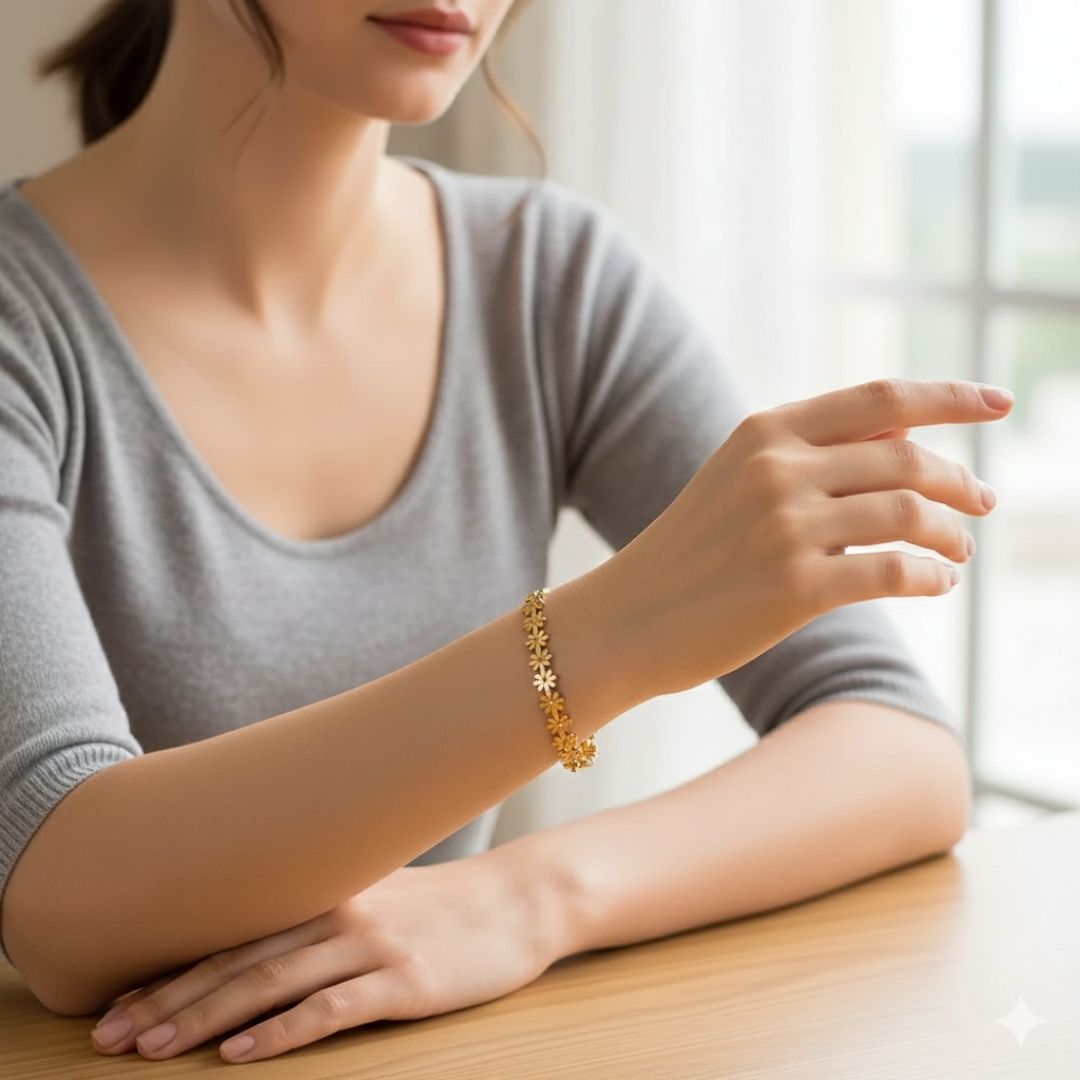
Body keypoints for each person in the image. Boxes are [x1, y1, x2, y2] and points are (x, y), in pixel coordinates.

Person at [0, 0, 1013, 1065]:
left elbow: (901, 747)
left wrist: (523, 897)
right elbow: (66, 904)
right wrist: (610, 634)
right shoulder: (27, 324)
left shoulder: (546, 280)